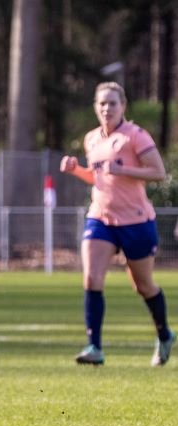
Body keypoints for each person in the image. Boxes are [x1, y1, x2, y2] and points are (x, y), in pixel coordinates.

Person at [60, 81, 175, 366]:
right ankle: (94, 347)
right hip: (101, 217)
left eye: (112, 103)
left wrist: (124, 169)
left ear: (123, 105)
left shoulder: (135, 136)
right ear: (95, 107)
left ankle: (164, 334)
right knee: (91, 278)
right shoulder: (91, 139)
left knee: (144, 285)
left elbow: (159, 172)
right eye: (102, 103)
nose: (106, 108)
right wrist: (77, 171)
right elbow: (99, 177)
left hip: (136, 221)